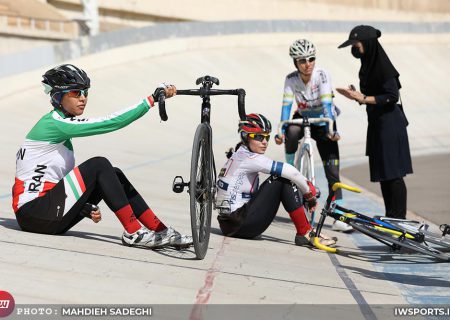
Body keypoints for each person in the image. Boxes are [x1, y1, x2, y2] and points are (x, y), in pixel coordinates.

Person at [12, 64, 193, 248]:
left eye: (85, 92)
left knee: (114, 174)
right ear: (58, 96)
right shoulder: (53, 124)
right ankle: (133, 232)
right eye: (76, 93)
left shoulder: (60, 129)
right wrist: (151, 99)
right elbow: (110, 122)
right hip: (34, 214)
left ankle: (160, 229)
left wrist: (82, 206)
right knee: (99, 165)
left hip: (44, 214)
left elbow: (45, 178)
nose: (83, 98)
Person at [215, 113, 337, 246]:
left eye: (267, 137)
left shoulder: (240, 153)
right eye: (259, 137)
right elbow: (290, 172)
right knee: (281, 179)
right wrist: (308, 192)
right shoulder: (250, 158)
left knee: (283, 180)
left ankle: (305, 230)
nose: (265, 142)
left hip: (229, 224)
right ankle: (305, 232)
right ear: (245, 137)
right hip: (240, 224)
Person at [274, 39, 352, 232]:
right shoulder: (291, 79)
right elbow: (286, 107)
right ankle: (291, 167)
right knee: (291, 131)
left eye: (311, 59)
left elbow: (327, 105)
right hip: (302, 117)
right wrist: (281, 131)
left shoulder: (322, 75)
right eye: (302, 61)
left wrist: (331, 129)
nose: (308, 64)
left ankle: (338, 213)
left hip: (324, 118)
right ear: (295, 63)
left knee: (332, 169)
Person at [336, 25, 413, 219]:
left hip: (390, 125)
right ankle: (390, 218)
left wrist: (362, 98)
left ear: (368, 44)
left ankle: (399, 221)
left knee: (394, 176)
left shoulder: (383, 67)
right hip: (378, 124)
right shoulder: (367, 65)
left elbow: (391, 96)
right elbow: (372, 95)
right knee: (384, 176)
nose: (354, 48)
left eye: (356, 44)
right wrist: (357, 95)